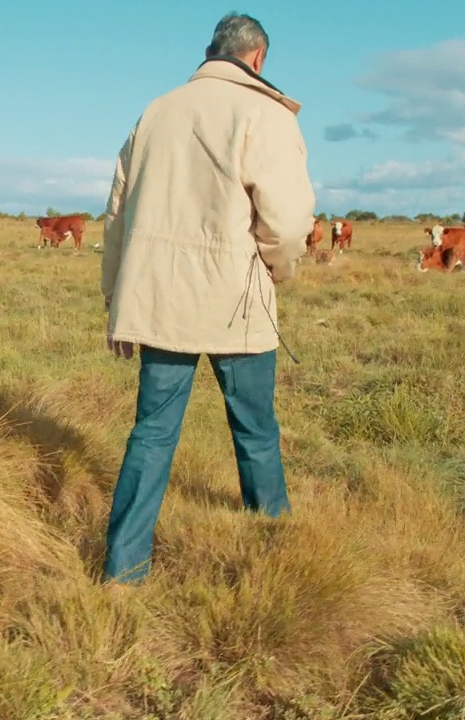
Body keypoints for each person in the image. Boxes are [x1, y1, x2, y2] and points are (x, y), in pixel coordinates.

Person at [98, 13, 316, 585]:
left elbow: (117, 215)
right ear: (259, 57)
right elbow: (289, 221)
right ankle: (274, 548)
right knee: (256, 430)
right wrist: (277, 270)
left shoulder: (156, 111)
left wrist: (116, 298)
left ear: (211, 52)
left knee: (151, 433)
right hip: (236, 300)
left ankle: (122, 572)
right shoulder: (264, 113)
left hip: (157, 300)